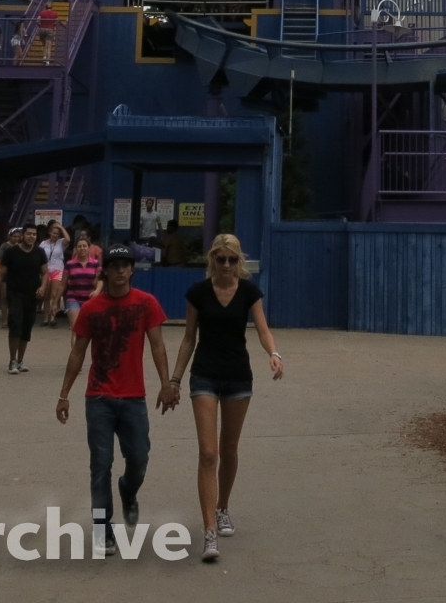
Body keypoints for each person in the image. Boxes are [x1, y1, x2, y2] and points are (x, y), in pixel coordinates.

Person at [161, 233, 282, 562]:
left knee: (229, 449)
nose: (226, 265)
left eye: (232, 259)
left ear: (238, 261)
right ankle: (209, 530)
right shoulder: (198, 293)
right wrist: (174, 379)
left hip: (238, 378)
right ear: (212, 259)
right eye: (220, 259)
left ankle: (223, 506)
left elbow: (263, 329)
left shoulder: (249, 292)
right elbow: (189, 339)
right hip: (204, 375)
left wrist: (274, 354)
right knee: (208, 452)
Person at [57, 244, 170, 556]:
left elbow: (157, 345)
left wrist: (166, 384)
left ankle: (128, 491)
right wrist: (64, 394)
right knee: (100, 465)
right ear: (104, 271)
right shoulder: (91, 309)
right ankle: (102, 528)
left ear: (132, 270)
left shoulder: (146, 303)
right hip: (99, 398)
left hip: (134, 398)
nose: (120, 270)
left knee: (139, 460)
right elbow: (78, 352)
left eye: (125, 265)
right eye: (114, 265)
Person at [0, 225, 47, 374]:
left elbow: (45, 272)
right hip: (15, 294)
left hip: (32, 296)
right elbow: (0, 273)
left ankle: (20, 361)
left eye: (34, 234)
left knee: (27, 327)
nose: (31, 237)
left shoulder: (39, 252)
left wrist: (43, 287)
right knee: (16, 325)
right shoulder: (11, 252)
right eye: (28, 234)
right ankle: (12, 361)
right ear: (22, 235)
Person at [62, 236, 100, 321]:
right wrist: (55, 300)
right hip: (73, 297)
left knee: (88, 325)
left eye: (84, 246)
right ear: (75, 249)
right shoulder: (69, 264)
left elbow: (101, 279)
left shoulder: (95, 263)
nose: (82, 248)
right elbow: (62, 284)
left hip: (90, 298)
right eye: (79, 246)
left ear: (89, 248)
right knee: (75, 325)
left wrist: (97, 291)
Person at [40, 222, 68, 323]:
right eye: (54, 233)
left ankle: (52, 318)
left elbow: (68, 239)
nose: (55, 235)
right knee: (46, 295)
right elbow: (40, 256)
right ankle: (45, 318)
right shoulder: (43, 244)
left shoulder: (61, 242)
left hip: (58, 270)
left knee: (54, 295)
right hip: (47, 271)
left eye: (57, 233)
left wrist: (61, 227)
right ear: (50, 233)